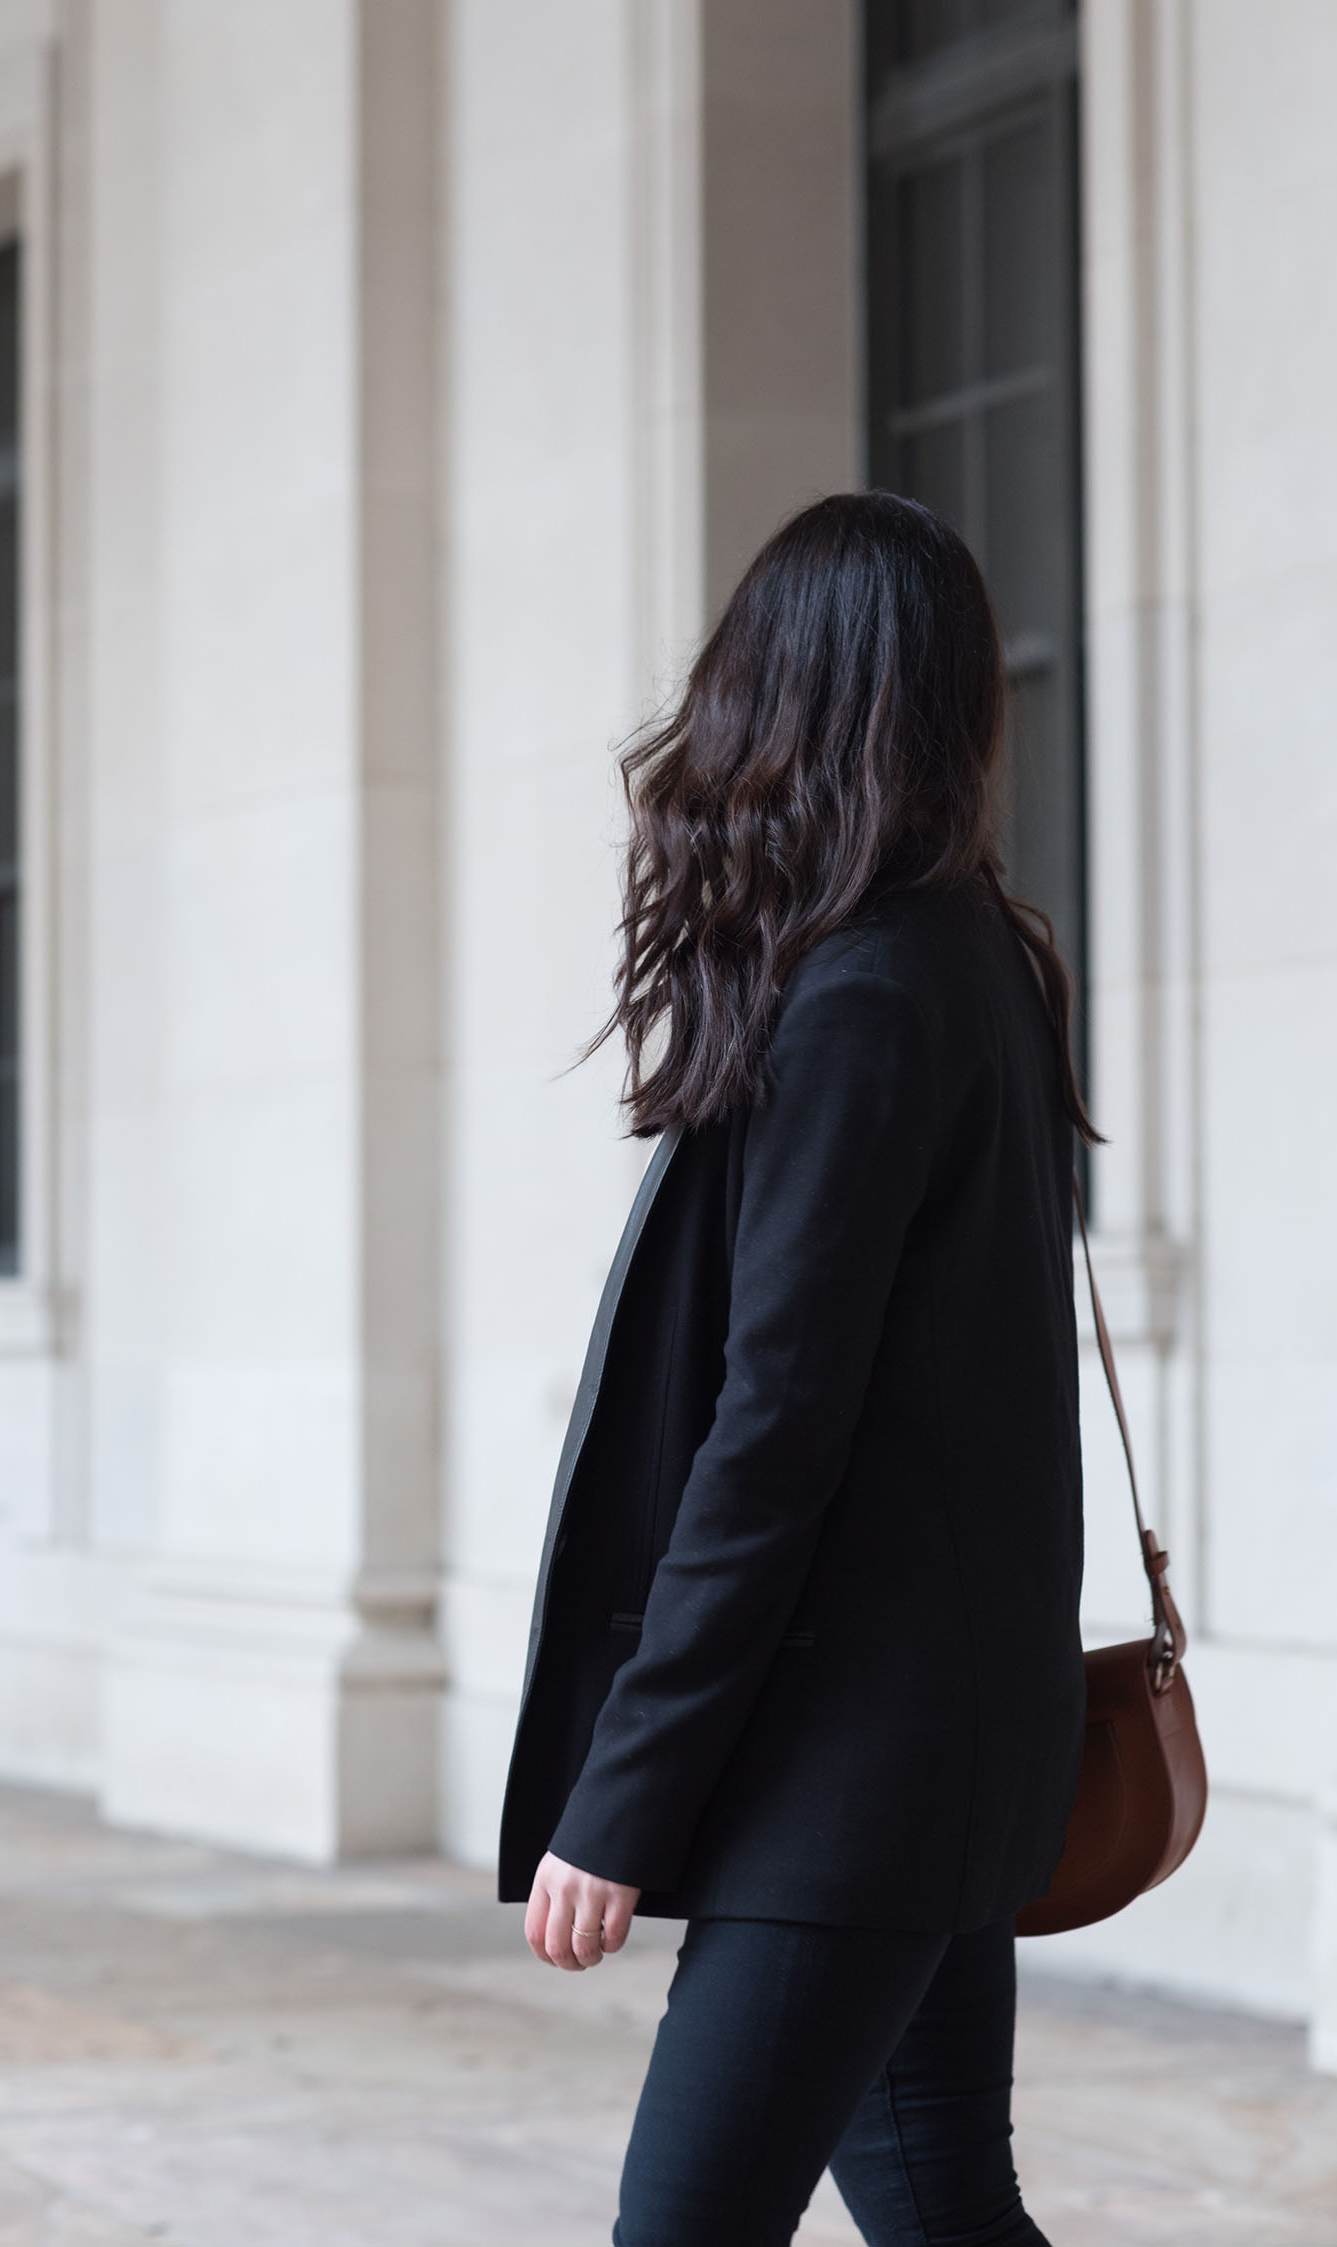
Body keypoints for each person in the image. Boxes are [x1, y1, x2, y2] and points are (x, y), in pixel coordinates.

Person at [497, 491, 1091, 2247]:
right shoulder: (977, 957)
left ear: (790, 695)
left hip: (850, 1767)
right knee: (939, 2199)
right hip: (938, 1741)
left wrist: (628, 1787)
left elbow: (774, 1438)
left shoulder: (863, 993)